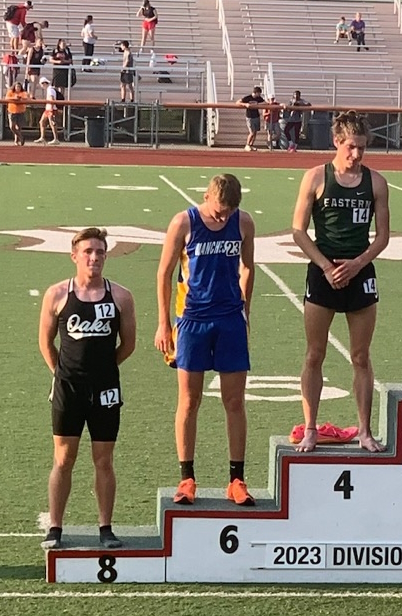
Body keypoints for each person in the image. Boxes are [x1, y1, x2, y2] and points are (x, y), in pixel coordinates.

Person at [155, 174, 257, 507]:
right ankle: (186, 479)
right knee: (189, 399)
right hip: (192, 320)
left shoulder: (243, 223)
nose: (223, 218)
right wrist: (163, 324)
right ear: (205, 197)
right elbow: (165, 273)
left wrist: (246, 311)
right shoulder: (184, 222)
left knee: (234, 401)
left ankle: (236, 479)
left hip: (229, 320)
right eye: (218, 211)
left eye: (229, 212)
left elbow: (248, 267)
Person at [292, 112, 390, 453]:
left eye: (362, 148)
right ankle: (310, 428)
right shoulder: (316, 177)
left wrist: (357, 263)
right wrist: (324, 265)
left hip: (359, 273)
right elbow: (298, 230)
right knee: (314, 354)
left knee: (361, 356)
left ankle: (364, 430)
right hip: (322, 274)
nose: (357, 155)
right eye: (351, 147)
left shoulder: (376, 182)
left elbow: (383, 237)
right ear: (337, 142)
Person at [38, 227, 136, 550]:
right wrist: (62, 373)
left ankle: (105, 528)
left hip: (106, 389)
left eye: (100, 252)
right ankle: (55, 527)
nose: (94, 257)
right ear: (75, 256)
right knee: (63, 459)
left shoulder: (120, 296)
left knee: (104, 460)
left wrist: (104, 371)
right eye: (88, 252)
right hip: (68, 389)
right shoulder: (57, 295)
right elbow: (45, 342)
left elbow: (128, 344)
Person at [238, 85, 265, 151]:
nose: (259, 95)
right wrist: (245, 104)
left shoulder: (259, 98)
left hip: (256, 116)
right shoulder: (248, 98)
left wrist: (258, 105)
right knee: (252, 132)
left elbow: (265, 102)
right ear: (256, 92)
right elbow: (238, 102)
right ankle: (247, 145)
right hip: (250, 117)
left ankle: (251, 145)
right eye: (259, 93)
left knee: (255, 132)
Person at [35, 76, 60, 144]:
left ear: (44, 83)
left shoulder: (50, 90)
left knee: (52, 123)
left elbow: (51, 99)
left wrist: (51, 109)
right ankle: (42, 137)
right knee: (42, 122)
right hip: (48, 109)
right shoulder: (50, 89)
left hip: (50, 109)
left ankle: (56, 138)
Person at [6, 81, 29, 145]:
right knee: (12, 126)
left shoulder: (23, 93)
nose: (18, 88)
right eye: (16, 86)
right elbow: (7, 98)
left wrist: (20, 98)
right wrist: (14, 98)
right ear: (14, 87)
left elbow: (26, 98)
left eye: (19, 86)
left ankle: (16, 141)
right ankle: (21, 137)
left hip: (20, 111)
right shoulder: (11, 92)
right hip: (12, 111)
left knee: (19, 127)